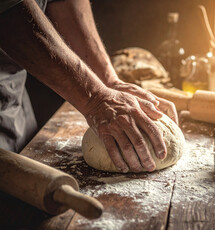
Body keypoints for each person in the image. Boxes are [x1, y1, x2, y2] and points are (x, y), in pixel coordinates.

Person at [0, 0, 178, 173]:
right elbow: (9, 11)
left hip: (13, 88)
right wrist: (96, 98)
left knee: (28, 173)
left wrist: (109, 82)